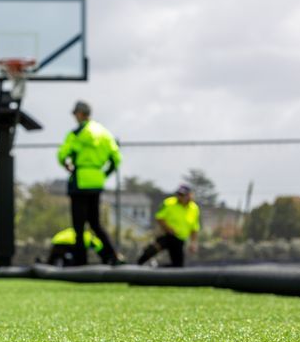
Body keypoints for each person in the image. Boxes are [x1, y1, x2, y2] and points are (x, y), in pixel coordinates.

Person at [57, 100, 123, 266]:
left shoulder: (78, 133)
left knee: (78, 226)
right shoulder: (104, 133)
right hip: (96, 182)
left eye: (75, 114)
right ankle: (113, 256)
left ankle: (81, 262)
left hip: (79, 182)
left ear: (80, 114)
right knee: (95, 223)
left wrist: (68, 166)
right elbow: (116, 158)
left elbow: (62, 154)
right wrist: (103, 174)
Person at [137, 184, 200, 267]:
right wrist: (168, 228)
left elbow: (194, 228)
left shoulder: (194, 208)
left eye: (182, 195)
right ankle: (136, 266)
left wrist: (193, 243)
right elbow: (159, 217)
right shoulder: (169, 203)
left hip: (179, 240)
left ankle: (155, 271)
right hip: (167, 235)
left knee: (177, 266)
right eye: (179, 194)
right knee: (150, 252)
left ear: (189, 195)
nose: (180, 197)